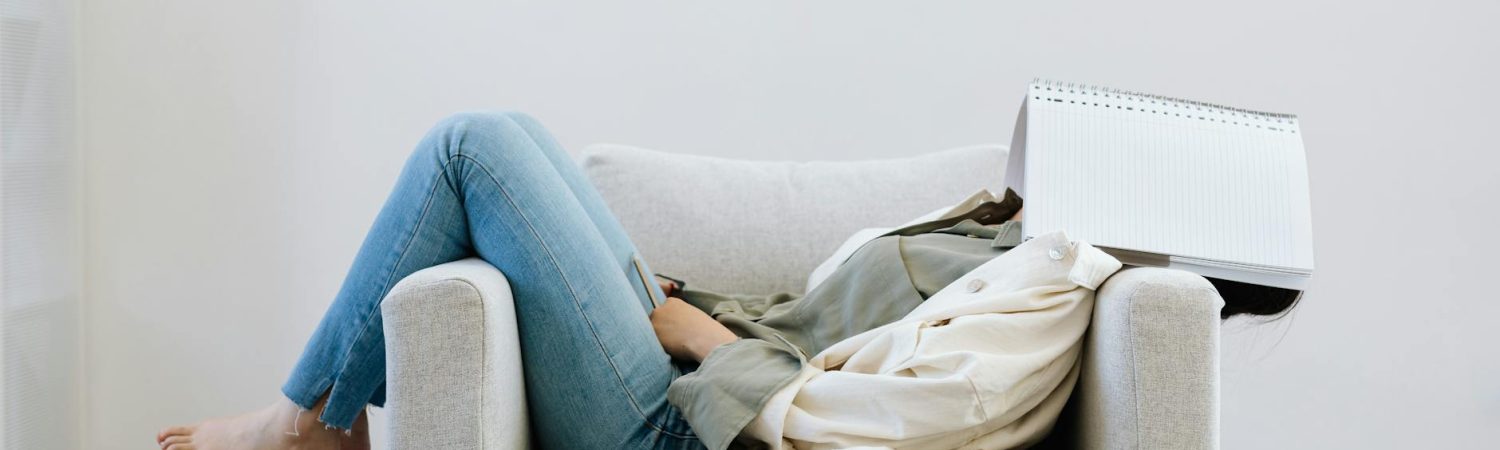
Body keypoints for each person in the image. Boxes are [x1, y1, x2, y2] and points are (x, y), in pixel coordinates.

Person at [156, 111, 1298, 450]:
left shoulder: (1058, 289)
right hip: (690, 371)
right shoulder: (1022, 247)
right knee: (521, 145)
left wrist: (701, 339)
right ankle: (323, 421)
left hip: (686, 428)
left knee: (475, 148)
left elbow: (904, 419)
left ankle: (299, 422)